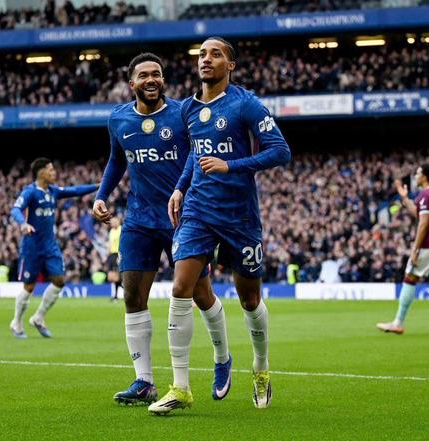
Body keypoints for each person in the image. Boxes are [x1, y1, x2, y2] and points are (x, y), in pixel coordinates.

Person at [148, 37, 291, 415]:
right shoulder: (188, 108)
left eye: (216, 54)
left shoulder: (246, 104)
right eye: (202, 54)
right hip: (198, 211)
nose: (206, 59)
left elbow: (281, 151)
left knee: (250, 300)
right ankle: (180, 387)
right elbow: (195, 154)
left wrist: (232, 166)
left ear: (231, 65)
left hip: (240, 216)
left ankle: (260, 368)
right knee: (181, 288)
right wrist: (179, 188)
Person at [93, 52, 231, 406]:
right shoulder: (118, 119)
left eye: (157, 74)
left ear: (163, 80)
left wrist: (188, 192)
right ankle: (144, 382)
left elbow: (198, 153)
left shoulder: (182, 113)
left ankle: (222, 356)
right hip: (139, 219)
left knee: (200, 293)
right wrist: (102, 195)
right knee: (132, 296)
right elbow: (117, 159)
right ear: (132, 83)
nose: (152, 79)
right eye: (144, 75)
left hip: (183, 218)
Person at [9, 158, 98, 339]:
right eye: (50, 170)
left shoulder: (53, 191)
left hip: (50, 246)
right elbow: (15, 209)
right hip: (32, 248)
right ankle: (16, 322)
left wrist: (99, 185)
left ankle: (38, 317)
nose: (54, 172)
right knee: (29, 286)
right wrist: (23, 223)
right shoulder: (30, 192)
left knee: (59, 280)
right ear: (41, 172)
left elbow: (75, 190)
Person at [376, 164, 429, 336]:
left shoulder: (425, 195)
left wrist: (415, 249)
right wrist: (405, 198)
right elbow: (418, 213)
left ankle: (398, 323)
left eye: (418, 173)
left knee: (410, 279)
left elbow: (423, 223)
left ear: (425, 176)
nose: (415, 176)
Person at [107, 217, 122, 301]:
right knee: (112, 276)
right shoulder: (111, 231)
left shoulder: (121, 229)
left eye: (113, 222)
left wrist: (120, 255)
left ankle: (116, 295)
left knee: (118, 276)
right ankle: (116, 295)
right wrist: (107, 255)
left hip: (119, 253)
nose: (112, 224)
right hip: (112, 254)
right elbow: (110, 244)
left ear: (118, 222)